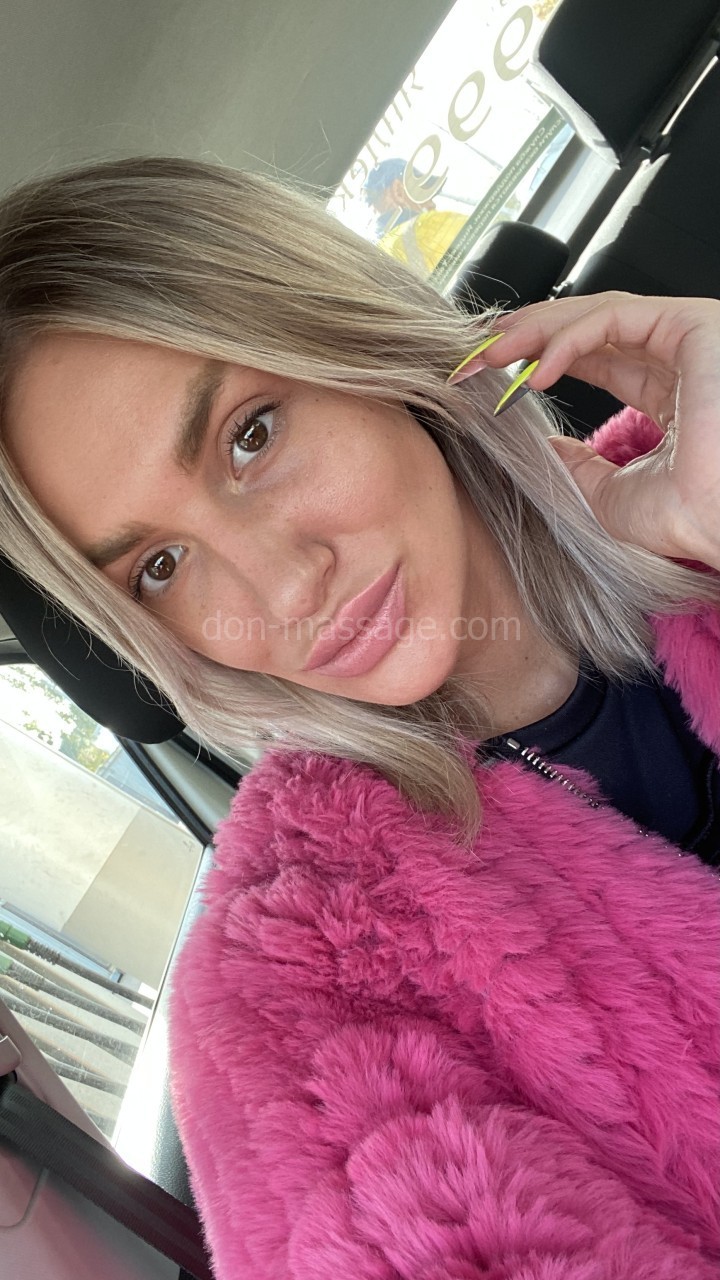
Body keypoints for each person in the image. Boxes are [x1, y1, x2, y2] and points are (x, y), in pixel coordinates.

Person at [0, 156, 718, 1279]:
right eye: (160, 566)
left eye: (251, 436)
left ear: (362, 345)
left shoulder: (699, 493)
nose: (284, 587)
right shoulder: (291, 1001)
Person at [363, 155, 468, 275]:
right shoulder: (429, 224)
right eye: (424, 193)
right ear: (398, 191)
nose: (432, 204)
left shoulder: (374, 264)